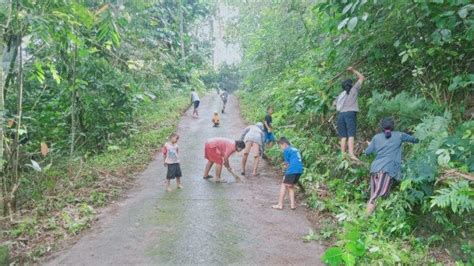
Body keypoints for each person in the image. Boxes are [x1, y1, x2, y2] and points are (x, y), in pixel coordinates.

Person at [364, 117, 419, 216]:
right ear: (393, 126)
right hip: (386, 169)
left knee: (375, 194)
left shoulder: (376, 137)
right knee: (377, 196)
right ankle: (365, 220)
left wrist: (371, 145)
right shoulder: (400, 135)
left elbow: (367, 152)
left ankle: (370, 219)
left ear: (381, 127)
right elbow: (415, 140)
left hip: (375, 168)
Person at [334, 66, 365, 161]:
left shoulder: (341, 94)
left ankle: (343, 155)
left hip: (341, 115)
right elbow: (361, 77)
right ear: (351, 85)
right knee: (351, 134)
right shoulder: (354, 89)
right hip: (350, 114)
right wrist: (353, 70)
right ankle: (351, 154)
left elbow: (334, 104)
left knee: (343, 136)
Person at [272, 137, 304, 210]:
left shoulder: (286, 150)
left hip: (292, 169)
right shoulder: (295, 149)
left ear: (284, 144)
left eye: (280, 146)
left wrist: (286, 171)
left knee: (284, 184)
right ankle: (292, 205)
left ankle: (280, 204)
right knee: (290, 186)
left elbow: (287, 164)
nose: (281, 148)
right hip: (299, 170)